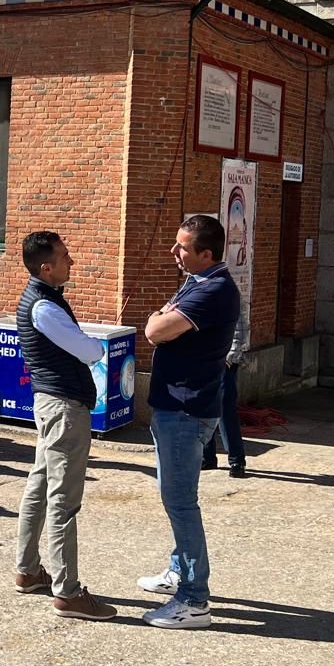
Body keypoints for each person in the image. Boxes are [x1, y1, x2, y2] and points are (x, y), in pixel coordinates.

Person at [138, 215, 241, 629]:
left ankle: (194, 600)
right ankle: (179, 569)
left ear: (206, 253)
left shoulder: (213, 290)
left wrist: (160, 317)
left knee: (181, 503)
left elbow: (155, 331)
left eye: (182, 247)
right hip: (176, 407)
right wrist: (163, 316)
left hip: (185, 410)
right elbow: (162, 326)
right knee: (174, 497)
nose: (174, 252)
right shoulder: (197, 282)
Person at [11, 230, 117, 622]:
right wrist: (95, 345)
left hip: (54, 405)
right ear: (46, 267)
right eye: (65, 256)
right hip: (64, 409)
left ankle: (27, 571)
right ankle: (68, 592)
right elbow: (90, 351)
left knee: (40, 487)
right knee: (64, 501)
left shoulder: (44, 298)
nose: (71, 261)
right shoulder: (44, 306)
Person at [200, 299, 251, 477]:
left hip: (224, 363)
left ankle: (236, 460)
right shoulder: (196, 293)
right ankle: (207, 457)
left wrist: (228, 360)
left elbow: (240, 331)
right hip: (203, 360)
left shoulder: (229, 296)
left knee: (225, 410)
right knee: (204, 407)